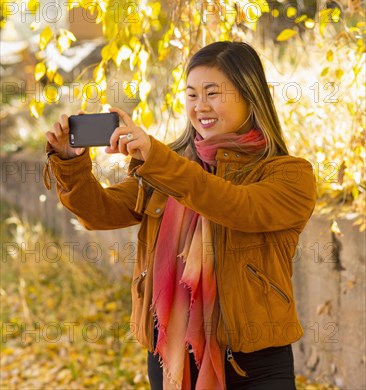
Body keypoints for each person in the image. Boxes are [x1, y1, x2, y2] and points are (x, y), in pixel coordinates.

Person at [44, 41, 316, 390]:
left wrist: (158, 159)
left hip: (255, 362)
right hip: (170, 356)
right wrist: (70, 163)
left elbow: (236, 206)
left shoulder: (289, 174)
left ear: (250, 96)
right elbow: (100, 212)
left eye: (213, 93)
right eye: (191, 95)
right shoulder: (167, 167)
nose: (200, 106)